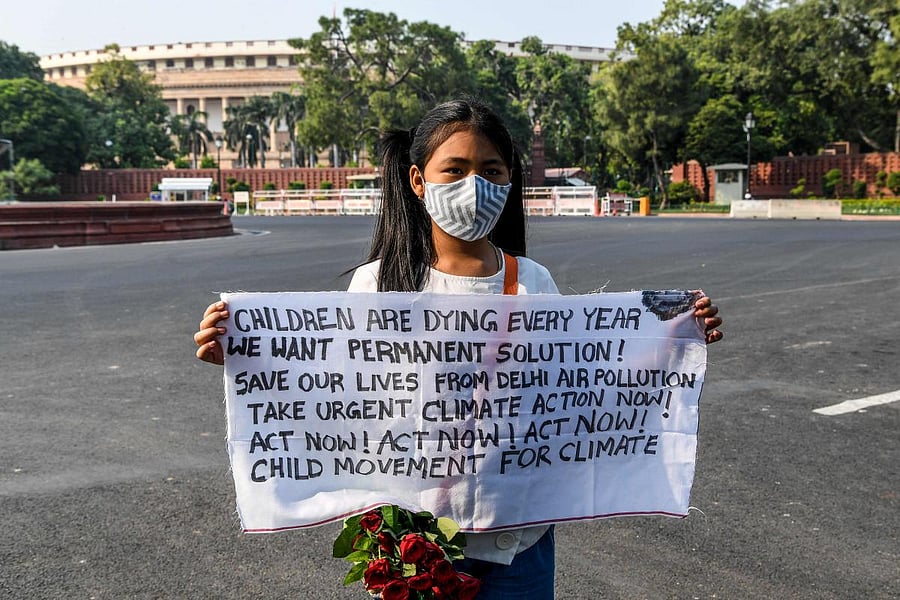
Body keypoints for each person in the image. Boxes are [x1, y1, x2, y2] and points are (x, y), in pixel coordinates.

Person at [194, 96, 723, 599]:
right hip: (415, 540)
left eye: (492, 170)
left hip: (519, 540)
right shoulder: (378, 285)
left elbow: (581, 387)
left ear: (510, 181)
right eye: (455, 169)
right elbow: (339, 390)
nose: (475, 185)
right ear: (418, 181)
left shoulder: (534, 281)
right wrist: (244, 357)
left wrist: (675, 338)